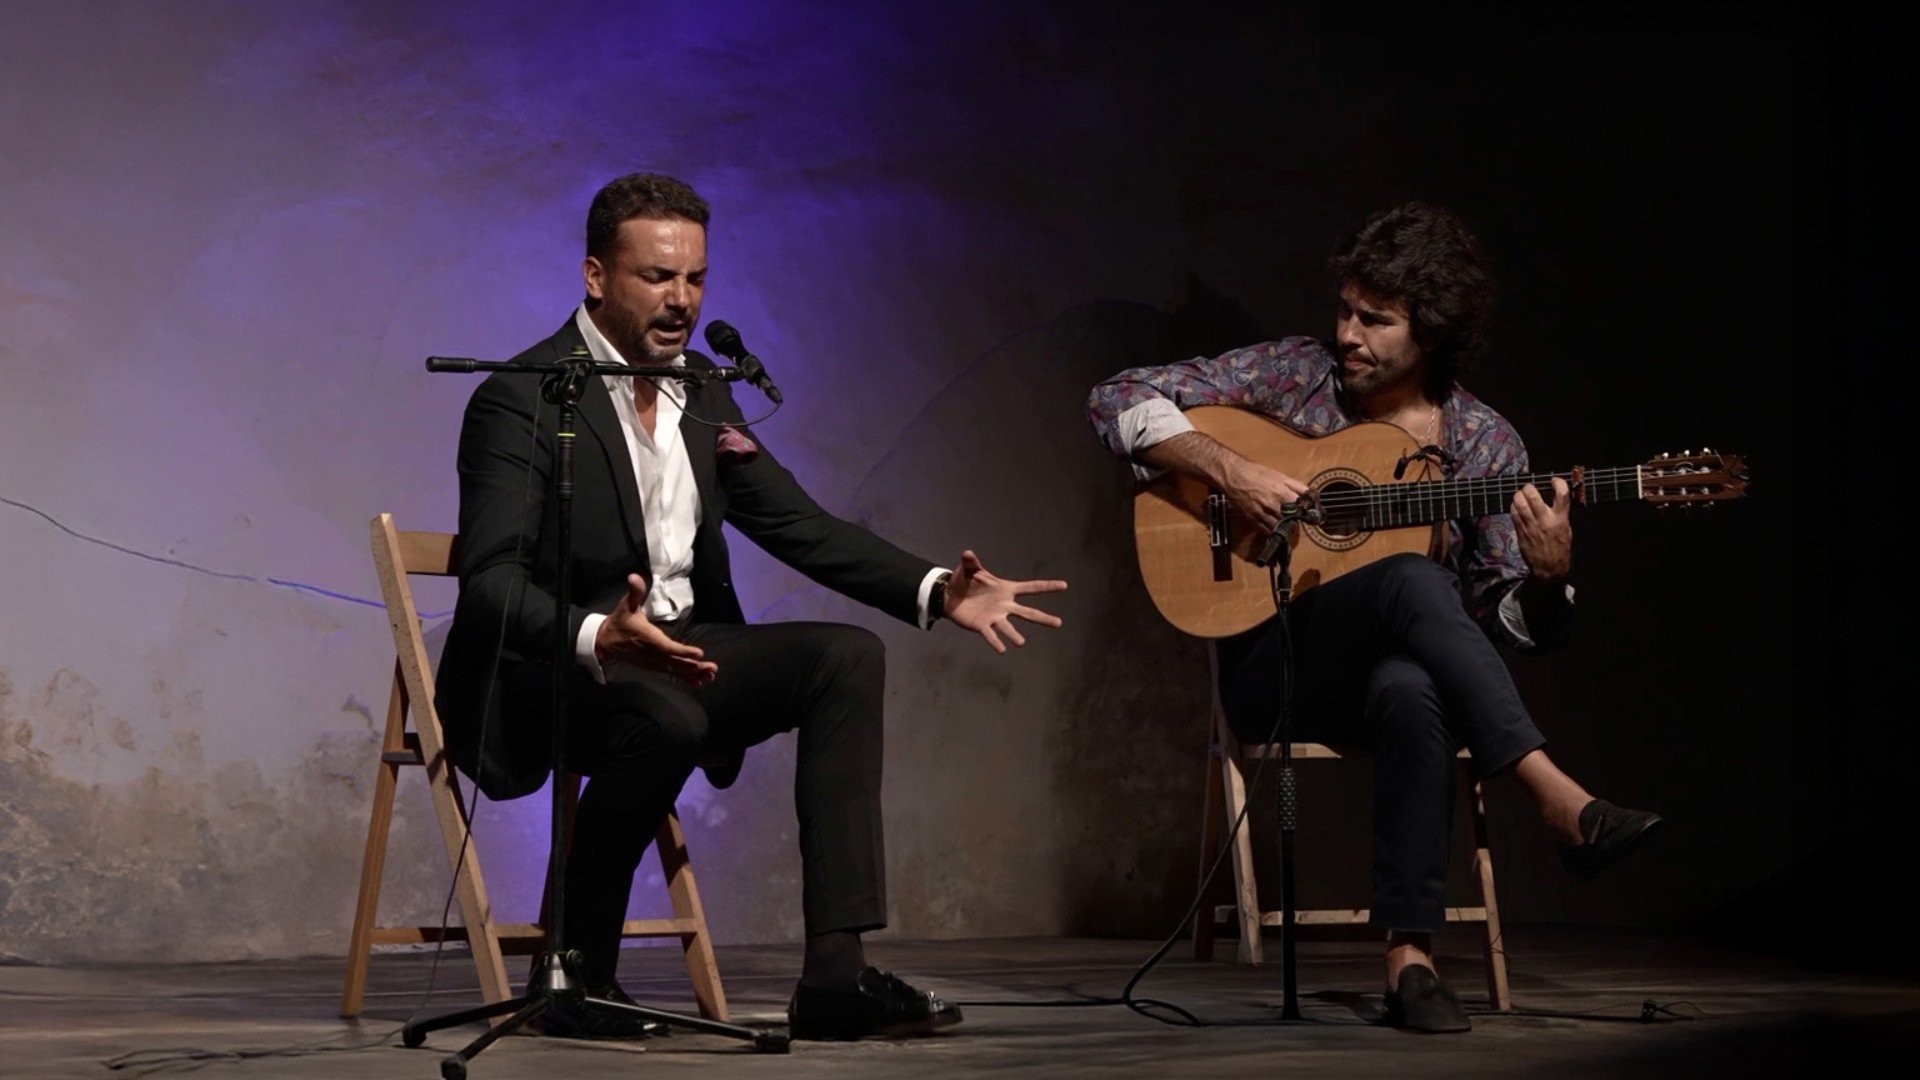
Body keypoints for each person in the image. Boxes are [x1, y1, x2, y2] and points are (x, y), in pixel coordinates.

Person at [434, 171, 1067, 1042]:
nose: (682, 301)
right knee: (665, 718)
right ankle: (577, 973)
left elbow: (795, 522)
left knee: (845, 657)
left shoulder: (701, 388)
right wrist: (599, 635)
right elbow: (492, 583)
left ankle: (836, 983)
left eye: (694, 278)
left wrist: (933, 589)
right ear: (594, 277)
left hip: (680, 653)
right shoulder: (523, 399)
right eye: (657, 277)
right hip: (559, 670)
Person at [1084, 201, 1662, 1033]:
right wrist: (1233, 470)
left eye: (1376, 319)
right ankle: (1556, 796)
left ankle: (1409, 962)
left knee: (1411, 684)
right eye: (1346, 309)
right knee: (1410, 580)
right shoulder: (1295, 374)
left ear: (1430, 334)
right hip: (1271, 665)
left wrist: (1545, 579)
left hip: (1383, 684)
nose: (1348, 333)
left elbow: (1500, 632)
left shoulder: (1486, 446)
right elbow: (1116, 398)